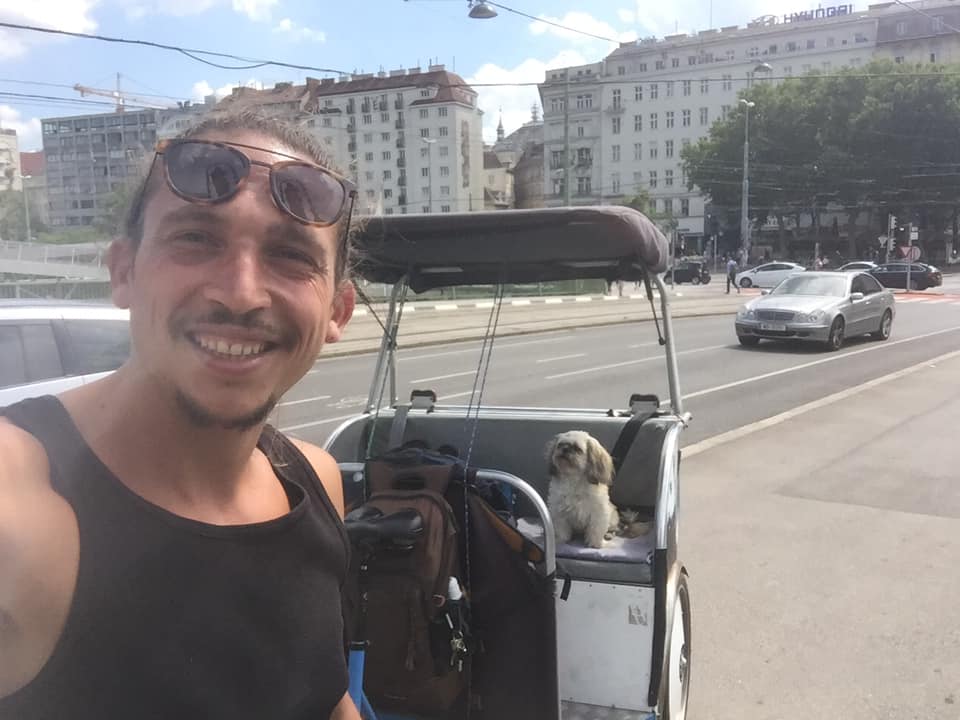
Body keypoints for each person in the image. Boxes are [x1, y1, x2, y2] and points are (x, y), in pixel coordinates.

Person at [0, 109, 361, 719]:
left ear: (337, 312)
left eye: (290, 255)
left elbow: (326, 700)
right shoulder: (18, 501)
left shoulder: (314, 480)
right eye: (196, 239)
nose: (240, 293)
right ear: (123, 272)